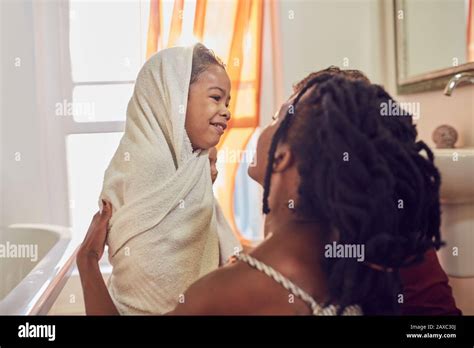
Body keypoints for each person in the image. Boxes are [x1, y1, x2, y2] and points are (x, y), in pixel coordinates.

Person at [78, 67, 459, 315]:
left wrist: (88, 264)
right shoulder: (359, 272)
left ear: (283, 158)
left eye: (278, 117)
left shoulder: (218, 299)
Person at [95, 43, 241, 314]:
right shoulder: (149, 160)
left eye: (228, 102)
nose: (226, 111)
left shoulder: (197, 163)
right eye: (215, 98)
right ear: (175, 98)